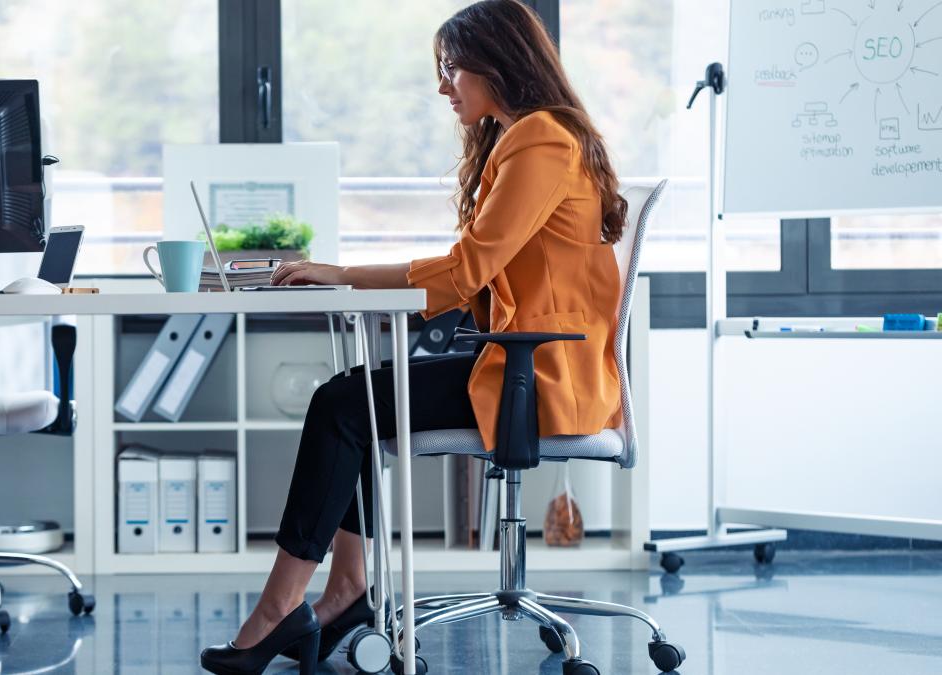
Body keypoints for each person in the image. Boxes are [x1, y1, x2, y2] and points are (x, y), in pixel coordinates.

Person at [200, 1, 629, 672]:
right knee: (355, 400)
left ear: (498, 63)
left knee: (344, 404)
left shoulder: (541, 140)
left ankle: (285, 605)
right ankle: (345, 589)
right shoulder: (530, 137)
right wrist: (349, 276)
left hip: (541, 376)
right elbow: (479, 270)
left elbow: (466, 270)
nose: (442, 86)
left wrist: (342, 274)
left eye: (451, 68)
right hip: (528, 363)